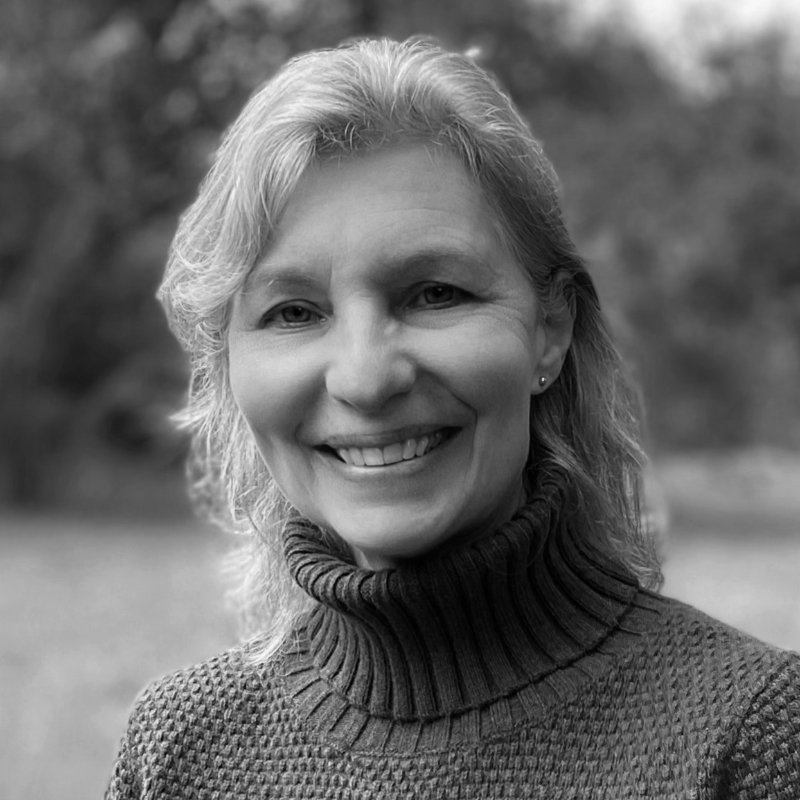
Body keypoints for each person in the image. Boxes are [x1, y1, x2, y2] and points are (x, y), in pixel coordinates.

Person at [106, 37, 799, 798]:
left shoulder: (750, 741)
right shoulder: (181, 754)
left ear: (550, 328)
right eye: (294, 312)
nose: (366, 379)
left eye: (434, 294)